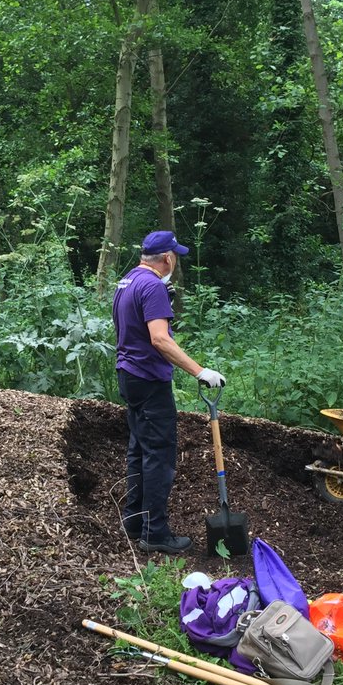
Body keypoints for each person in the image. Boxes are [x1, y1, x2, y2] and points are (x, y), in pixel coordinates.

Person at [112, 230, 225, 554]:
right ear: (167, 258)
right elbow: (160, 339)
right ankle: (156, 533)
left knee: (139, 451)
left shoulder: (128, 281)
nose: (175, 259)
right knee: (159, 456)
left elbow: (127, 327)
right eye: (174, 255)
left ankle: (135, 521)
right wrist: (200, 372)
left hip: (128, 376)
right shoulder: (153, 286)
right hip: (148, 380)